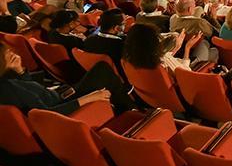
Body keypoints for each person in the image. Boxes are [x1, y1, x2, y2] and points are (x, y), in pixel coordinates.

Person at [0, 42, 135, 113]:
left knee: (101, 68)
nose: (11, 53)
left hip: (58, 96)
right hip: (64, 105)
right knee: (103, 72)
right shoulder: (10, 88)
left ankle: (126, 106)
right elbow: (46, 114)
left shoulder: (8, 79)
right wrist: (90, 98)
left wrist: (20, 71)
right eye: (6, 53)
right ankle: (131, 110)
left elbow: (29, 93)